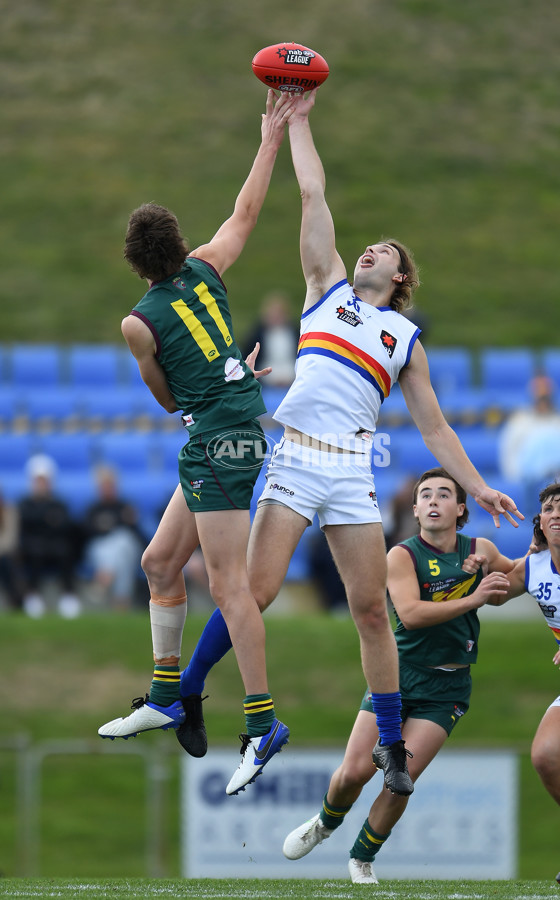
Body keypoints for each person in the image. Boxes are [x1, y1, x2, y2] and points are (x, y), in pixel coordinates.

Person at [176, 89, 522, 800]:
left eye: (384, 253)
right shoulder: (325, 288)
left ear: (399, 279)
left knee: (371, 609)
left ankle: (391, 747)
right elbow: (312, 191)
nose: (368, 250)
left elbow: (434, 428)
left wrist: (479, 484)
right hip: (297, 457)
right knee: (257, 589)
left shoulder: (405, 340)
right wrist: (299, 123)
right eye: (368, 246)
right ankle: (187, 689)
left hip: (351, 469)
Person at [98, 90, 297, 796]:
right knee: (159, 563)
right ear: (180, 245)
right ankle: (166, 695)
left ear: (134, 261)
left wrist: (211, 390)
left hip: (217, 439)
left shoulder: (136, 322)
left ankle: (262, 720)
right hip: (232, 428)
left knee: (228, 585)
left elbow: (164, 395)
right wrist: (270, 137)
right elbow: (245, 212)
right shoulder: (209, 265)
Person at [282, 468, 514, 883]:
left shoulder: (481, 548)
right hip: (397, 677)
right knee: (354, 772)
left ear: (461, 508)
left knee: (399, 781)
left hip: (448, 688)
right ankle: (324, 823)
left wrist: (521, 563)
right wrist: (475, 594)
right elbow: (411, 614)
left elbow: (513, 580)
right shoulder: (401, 555)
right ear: (415, 508)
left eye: (444, 494)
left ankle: (361, 858)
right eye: (425, 495)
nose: (433, 501)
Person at [500, 482, 560, 885]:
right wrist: (472, 565)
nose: (555, 513)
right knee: (546, 756)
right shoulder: (532, 566)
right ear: (539, 522)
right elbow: (493, 594)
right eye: (548, 509)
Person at [498, 375, 560, 516]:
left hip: (556, 480)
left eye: (546, 397)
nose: (543, 401)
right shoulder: (519, 421)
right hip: (526, 479)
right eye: (540, 397)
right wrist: (518, 478)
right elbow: (508, 453)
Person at [17, 454, 82, 619]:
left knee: (65, 550)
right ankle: (33, 595)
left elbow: (65, 527)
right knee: (35, 550)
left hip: (55, 548)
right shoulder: (24, 504)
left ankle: (68, 595)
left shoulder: (59, 503)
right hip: (33, 549)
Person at [82, 466, 145, 611]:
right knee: (121, 551)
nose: (107, 489)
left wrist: (131, 522)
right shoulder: (93, 509)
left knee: (124, 541)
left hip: (128, 549)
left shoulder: (126, 507)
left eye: (110, 485)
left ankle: (105, 577)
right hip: (100, 549)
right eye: (104, 486)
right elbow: (86, 536)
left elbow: (139, 537)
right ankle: (121, 601)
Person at [242, 290, 299, 387]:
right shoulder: (258, 333)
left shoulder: (295, 332)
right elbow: (247, 353)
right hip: (266, 381)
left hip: (291, 380)